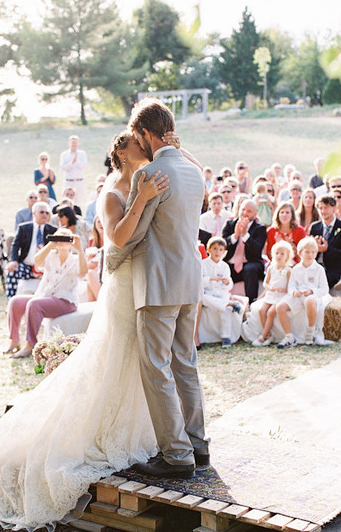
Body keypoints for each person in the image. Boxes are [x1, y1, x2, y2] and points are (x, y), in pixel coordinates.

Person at [0, 128, 178, 530]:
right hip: (124, 284)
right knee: (113, 357)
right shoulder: (113, 191)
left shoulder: (146, 178)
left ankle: (138, 429)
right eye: (136, 144)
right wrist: (141, 199)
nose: (144, 147)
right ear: (123, 154)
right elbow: (116, 240)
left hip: (145, 282)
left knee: (136, 360)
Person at [106, 98, 209, 479]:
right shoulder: (194, 171)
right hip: (190, 280)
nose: (137, 143)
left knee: (156, 368)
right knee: (186, 363)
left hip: (159, 283)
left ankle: (177, 455)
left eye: (138, 137)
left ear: (146, 134)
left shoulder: (148, 175)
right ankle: (198, 444)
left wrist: (113, 261)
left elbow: (132, 234)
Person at [6, 229, 88, 358]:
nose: (63, 241)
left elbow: (83, 272)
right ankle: (14, 340)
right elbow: (37, 261)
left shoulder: (76, 259)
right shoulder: (50, 256)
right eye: (60, 238)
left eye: (66, 238)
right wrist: (51, 244)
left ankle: (31, 344)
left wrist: (79, 249)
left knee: (34, 304)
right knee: (15, 301)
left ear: (71, 241)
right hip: (45, 297)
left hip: (66, 301)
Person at [276, 237, 330, 348]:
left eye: (313, 252)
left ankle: (310, 332)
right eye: (307, 252)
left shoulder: (319, 269)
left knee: (309, 301)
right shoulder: (295, 269)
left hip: (313, 296)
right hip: (298, 296)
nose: (311, 255)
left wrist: (312, 291)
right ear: (300, 253)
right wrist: (294, 292)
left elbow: (325, 288)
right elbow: (291, 286)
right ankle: (289, 336)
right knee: (280, 306)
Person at [6, 202, 57, 299]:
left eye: (47, 213)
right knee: (12, 271)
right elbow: (15, 245)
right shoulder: (23, 228)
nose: (44, 215)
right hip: (27, 266)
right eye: (41, 212)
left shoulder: (53, 230)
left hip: (46, 269)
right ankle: (11, 301)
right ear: (34, 213)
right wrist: (14, 261)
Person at [222, 199, 267, 303]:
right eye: (243, 209)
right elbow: (223, 245)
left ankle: (250, 303)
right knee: (221, 266)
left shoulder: (260, 228)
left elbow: (256, 250)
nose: (245, 213)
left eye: (249, 211)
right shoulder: (229, 224)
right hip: (231, 263)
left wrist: (245, 235)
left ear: (255, 214)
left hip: (250, 262)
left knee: (250, 269)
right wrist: (235, 235)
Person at [201, 237, 242, 348]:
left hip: (221, 294)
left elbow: (229, 285)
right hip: (208, 294)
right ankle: (230, 304)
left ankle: (226, 337)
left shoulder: (225, 266)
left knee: (225, 309)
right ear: (208, 250)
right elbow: (198, 282)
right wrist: (210, 279)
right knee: (202, 298)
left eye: (220, 250)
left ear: (224, 252)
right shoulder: (203, 264)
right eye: (214, 249)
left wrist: (227, 282)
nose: (217, 252)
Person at [252, 240, 292, 347]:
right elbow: (265, 283)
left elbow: (290, 287)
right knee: (261, 310)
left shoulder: (288, 270)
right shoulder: (271, 268)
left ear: (287, 257)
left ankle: (262, 336)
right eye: (277, 253)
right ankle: (269, 335)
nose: (279, 256)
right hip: (271, 294)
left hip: (281, 296)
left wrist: (283, 290)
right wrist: (270, 287)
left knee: (270, 312)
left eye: (282, 254)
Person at [310, 195, 341, 289]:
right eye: (320, 208)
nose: (323, 211)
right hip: (315, 268)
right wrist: (314, 247)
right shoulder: (315, 227)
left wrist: (327, 249)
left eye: (326, 207)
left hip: (334, 269)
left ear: (334, 208)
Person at [60, 135, 88, 207]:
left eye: (75, 142)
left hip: (79, 181)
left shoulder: (82, 153)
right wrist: (71, 163)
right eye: (72, 142)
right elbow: (63, 168)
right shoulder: (64, 154)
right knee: (66, 201)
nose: (74, 144)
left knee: (79, 202)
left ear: (78, 143)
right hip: (68, 181)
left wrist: (77, 160)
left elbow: (84, 166)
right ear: (69, 143)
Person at [85, 216, 104, 301]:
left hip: (104, 272)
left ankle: (101, 302)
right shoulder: (92, 241)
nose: (101, 224)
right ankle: (97, 304)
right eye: (98, 222)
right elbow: (87, 265)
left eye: (102, 221)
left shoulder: (111, 240)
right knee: (90, 275)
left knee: (90, 275)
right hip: (95, 271)